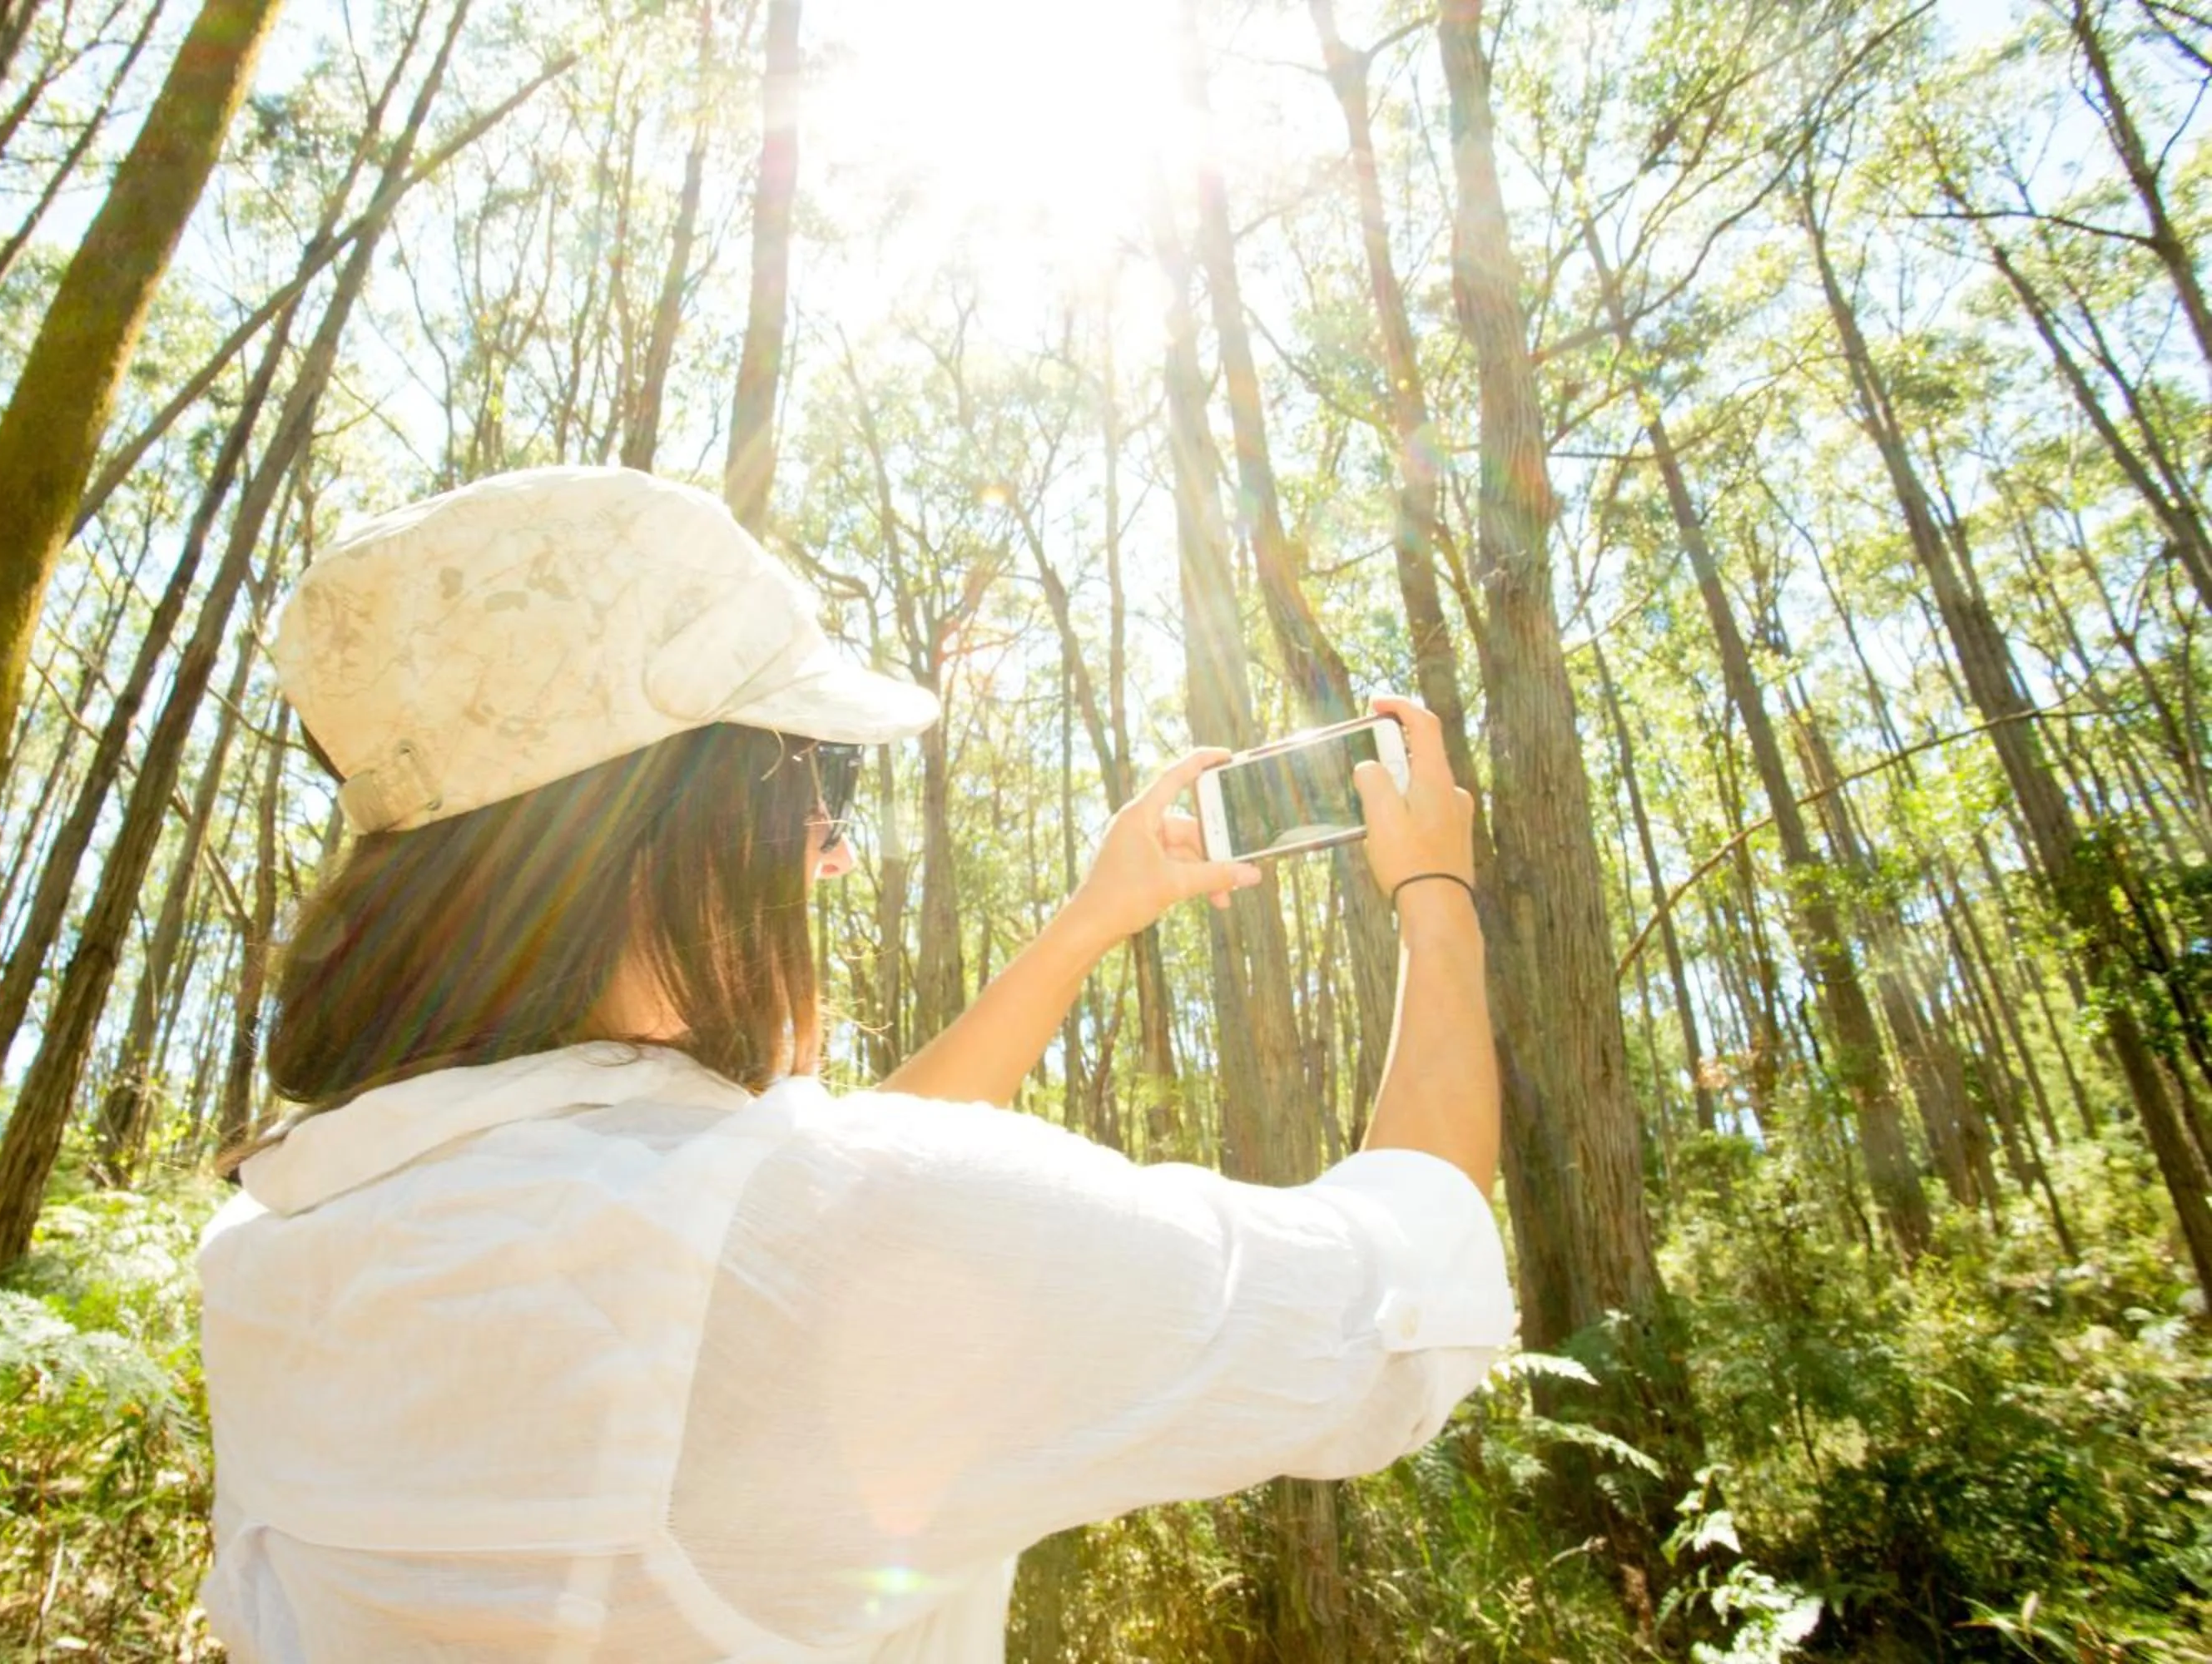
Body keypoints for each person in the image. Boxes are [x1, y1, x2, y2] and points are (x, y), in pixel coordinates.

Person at [199, 466, 1513, 1663]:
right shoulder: (769, 1246)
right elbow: (1408, 1300)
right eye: (813, 785)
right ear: (666, 825)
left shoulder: (273, 1257)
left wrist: (1088, 923)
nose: (831, 853)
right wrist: (1436, 886)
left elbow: (772, 1231)